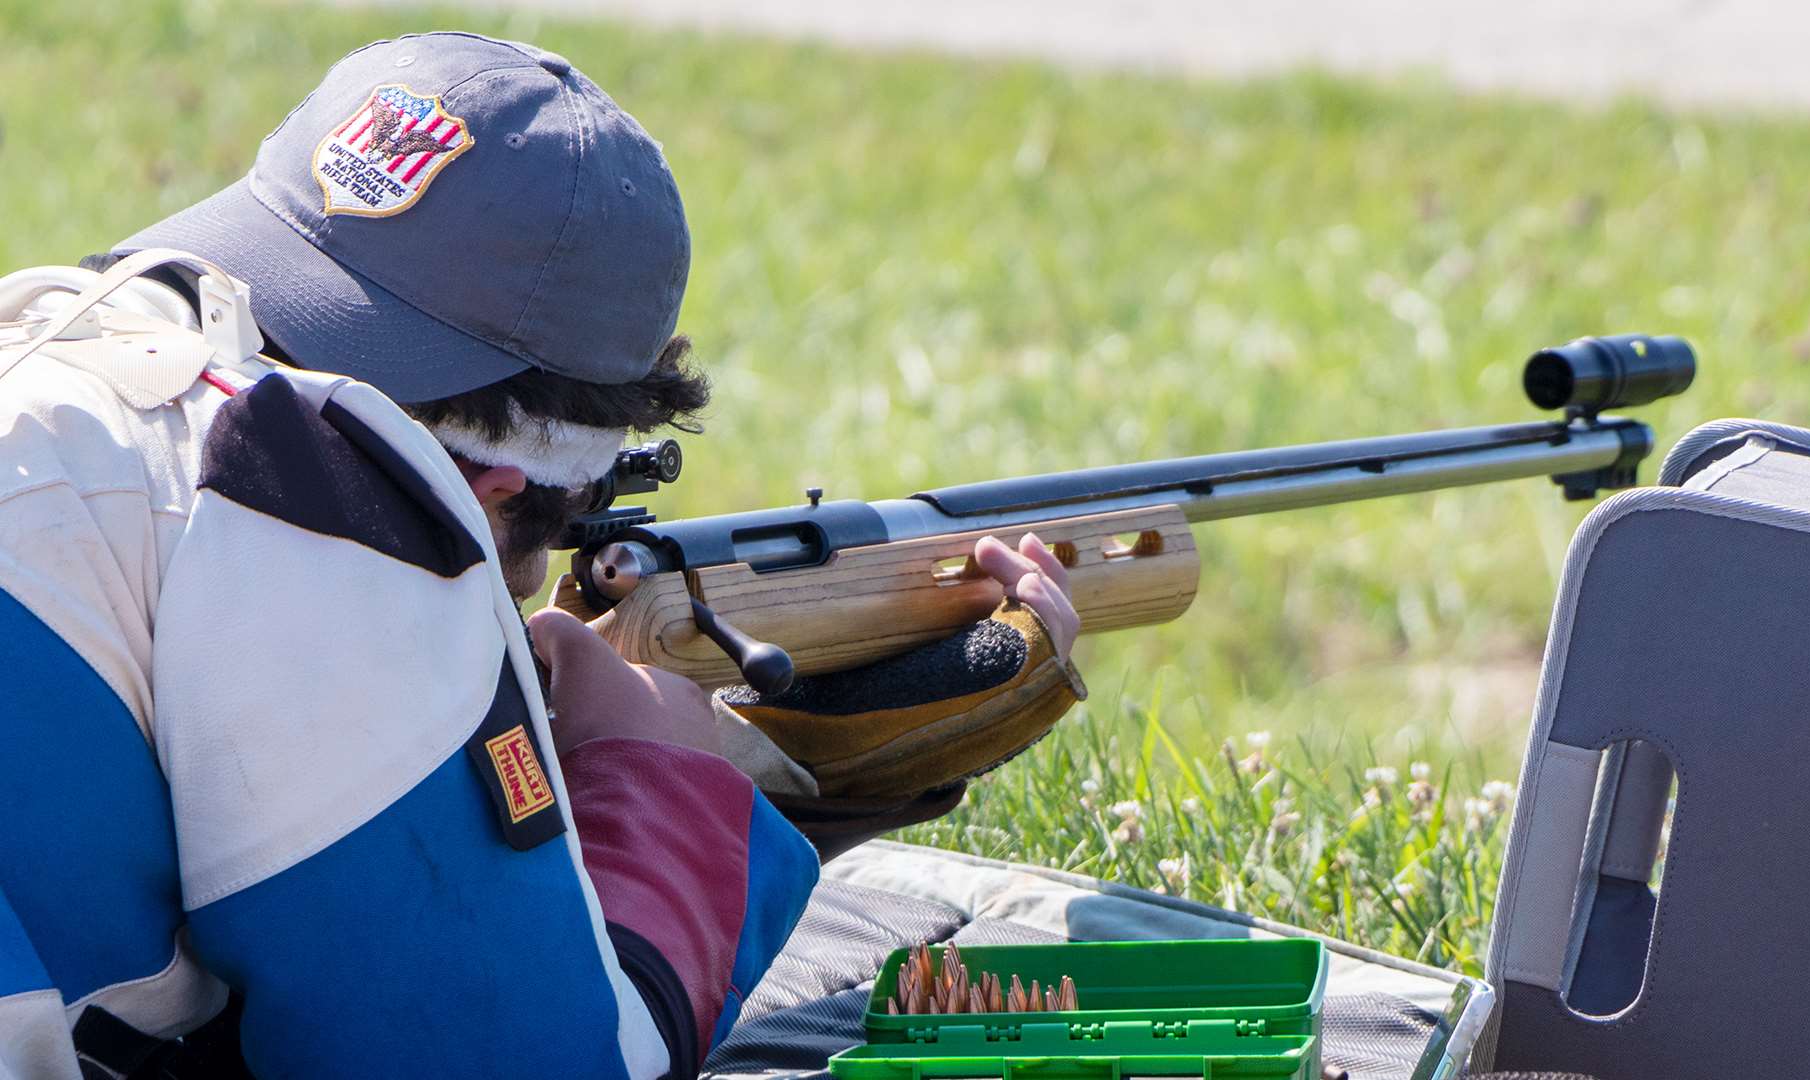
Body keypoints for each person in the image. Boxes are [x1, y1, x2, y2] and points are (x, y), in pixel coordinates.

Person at [0, 32, 1084, 1080]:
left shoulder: (61, 353)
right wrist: (667, 784)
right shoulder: (319, 498)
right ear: (499, 487)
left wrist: (788, 787)